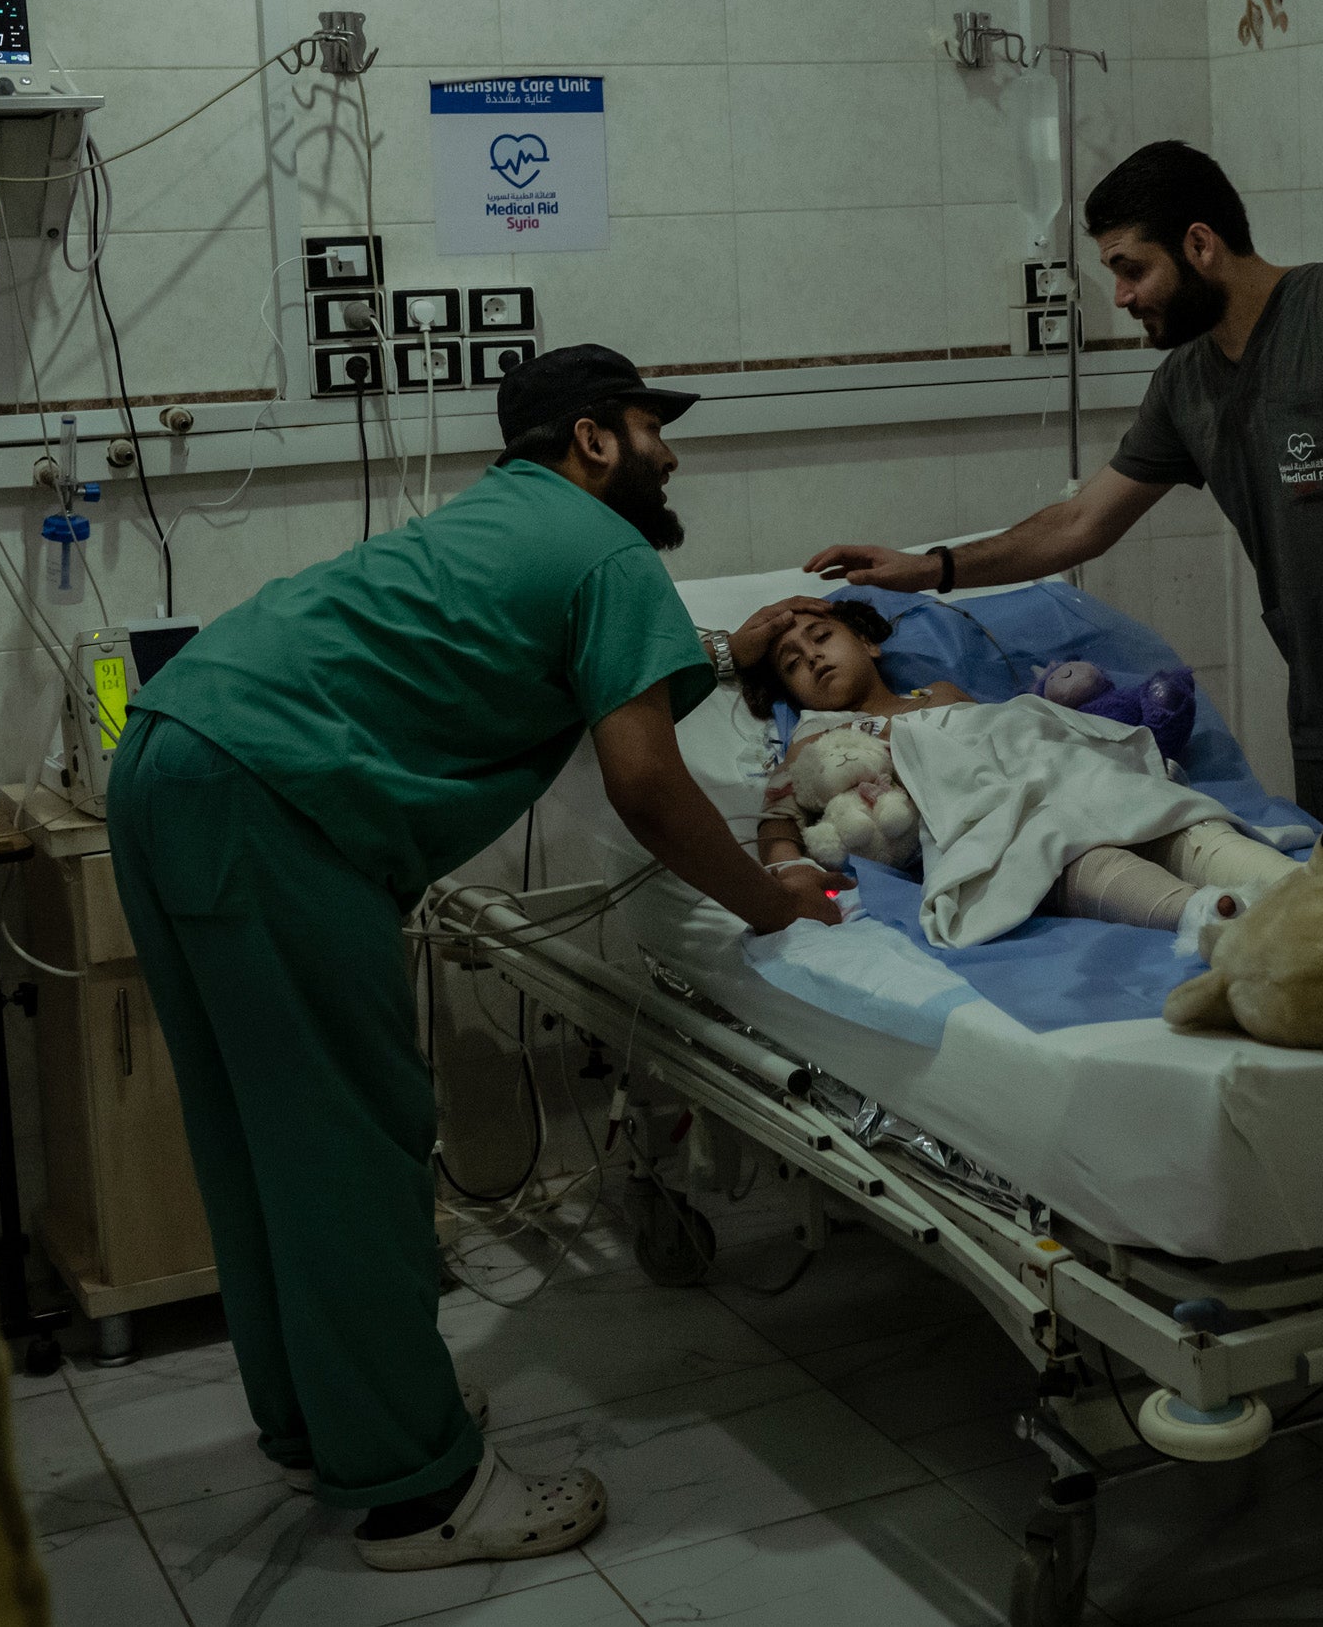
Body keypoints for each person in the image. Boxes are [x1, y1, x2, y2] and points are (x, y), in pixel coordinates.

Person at [102, 344, 838, 1573]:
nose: (672, 452)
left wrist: (725, 653)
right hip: (274, 804)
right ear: (596, 439)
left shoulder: (508, 520)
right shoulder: (610, 550)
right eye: (655, 427)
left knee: (259, 1133)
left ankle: (328, 1426)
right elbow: (647, 782)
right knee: (352, 1142)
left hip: (172, 750)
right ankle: (417, 1493)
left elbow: (563, 669)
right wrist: (769, 904)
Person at [807, 140, 1323, 821]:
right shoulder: (1187, 385)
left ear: (1200, 245)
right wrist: (932, 568)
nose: (1123, 296)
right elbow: (1080, 524)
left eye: (1132, 269)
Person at [740, 598, 1305, 947]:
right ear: (789, 692)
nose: (812, 656)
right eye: (793, 662)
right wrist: (789, 874)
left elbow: (1010, 733)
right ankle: (1203, 913)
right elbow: (778, 822)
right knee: (1057, 850)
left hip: (1047, 773)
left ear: (868, 643)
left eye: (821, 637)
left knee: (1159, 815)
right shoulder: (817, 738)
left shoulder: (937, 693)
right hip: (989, 817)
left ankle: (1297, 886)